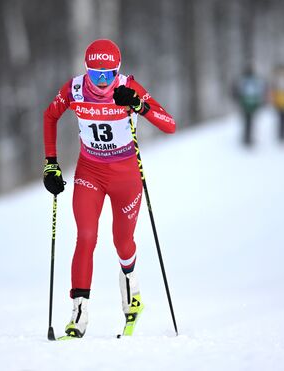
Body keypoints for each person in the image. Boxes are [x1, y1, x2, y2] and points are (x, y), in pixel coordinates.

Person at [42, 39, 176, 338]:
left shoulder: (129, 87)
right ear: (86, 70)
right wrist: (51, 162)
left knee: (123, 242)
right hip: (90, 171)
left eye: (109, 73)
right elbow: (49, 116)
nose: (102, 81)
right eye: (95, 73)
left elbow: (170, 124)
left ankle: (133, 295)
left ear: (118, 70)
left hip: (125, 176)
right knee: (86, 236)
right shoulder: (74, 89)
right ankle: (78, 316)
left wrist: (139, 106)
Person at [232, 65, 266, 147]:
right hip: (253, 104)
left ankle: (246, 138)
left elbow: (235, 91)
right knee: (251, 121)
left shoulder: (241, 80)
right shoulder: (256, 80)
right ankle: (249, 138)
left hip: (244, 104)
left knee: (246, 121)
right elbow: (261, 92)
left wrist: (237, 100)